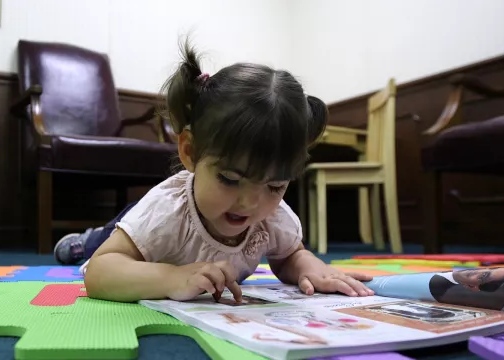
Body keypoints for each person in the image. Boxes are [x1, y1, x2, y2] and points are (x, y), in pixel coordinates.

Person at [54, 39, 374, 303]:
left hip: (160, 232)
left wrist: (312, 267)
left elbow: (290, 255)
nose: (251, 203)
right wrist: (172, 277)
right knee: (104, 242)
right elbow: (99, 273)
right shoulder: (166, 212)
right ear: (190, 152)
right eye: (230, 179)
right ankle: (85, 240)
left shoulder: (272, 216)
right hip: (145, 231)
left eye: (275, 186)